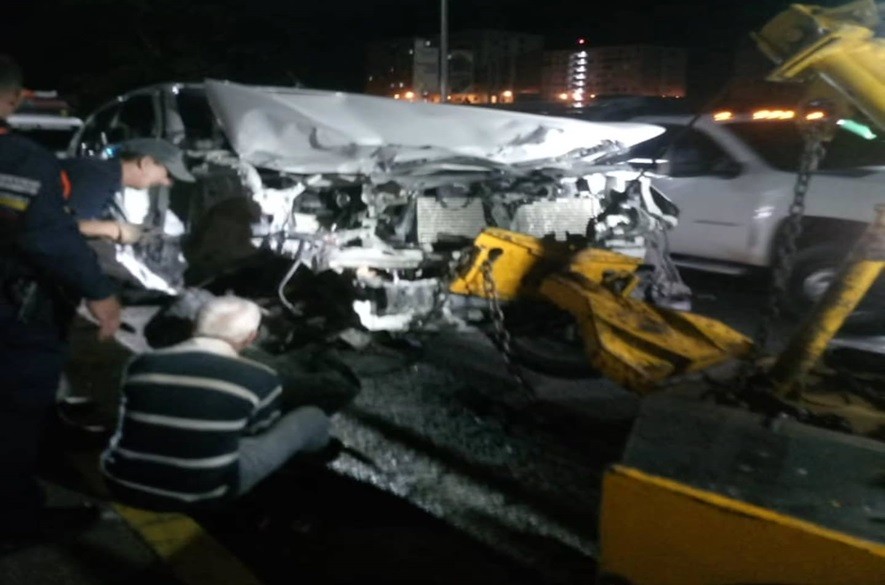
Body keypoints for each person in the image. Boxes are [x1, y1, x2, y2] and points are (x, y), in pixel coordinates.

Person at [0, 54, 122, 546]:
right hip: (12, 317)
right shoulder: (20, 160)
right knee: (13, 417)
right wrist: (101, 293)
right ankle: (13, 520)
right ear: (13, 98)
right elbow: (49, 239)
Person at [101, 295, 333, 511]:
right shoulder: (261, 378)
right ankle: (317, 462)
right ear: (251, 338)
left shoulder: (142, 363)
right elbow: (257, 432)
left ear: (194, 327)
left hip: (118, 479)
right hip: (201, 494)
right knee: (311, 417)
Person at [62, 137, 195, 246]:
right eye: (168, 175)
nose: (167, 183)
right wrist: (115, 230)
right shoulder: (99, 177)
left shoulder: (105, 176)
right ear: (146, 163)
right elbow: (61, 226)